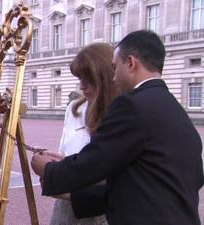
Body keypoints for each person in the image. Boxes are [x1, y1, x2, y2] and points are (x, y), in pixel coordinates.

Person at [31, 30, 204, 225]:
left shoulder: (131, 105)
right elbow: (192, 177)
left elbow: (95, 163)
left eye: (115, 68)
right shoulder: (174, 109)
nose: (113, 78)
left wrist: (48, 169)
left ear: (130, 63)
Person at [49, 43, 118, 225]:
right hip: (67, 208)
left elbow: (116, 176)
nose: (83, 86)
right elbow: (67, 152)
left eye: (89, 79)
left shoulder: (122, 114)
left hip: (100, 210)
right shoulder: (74, 109)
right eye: (80, 78)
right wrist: (58, 163)